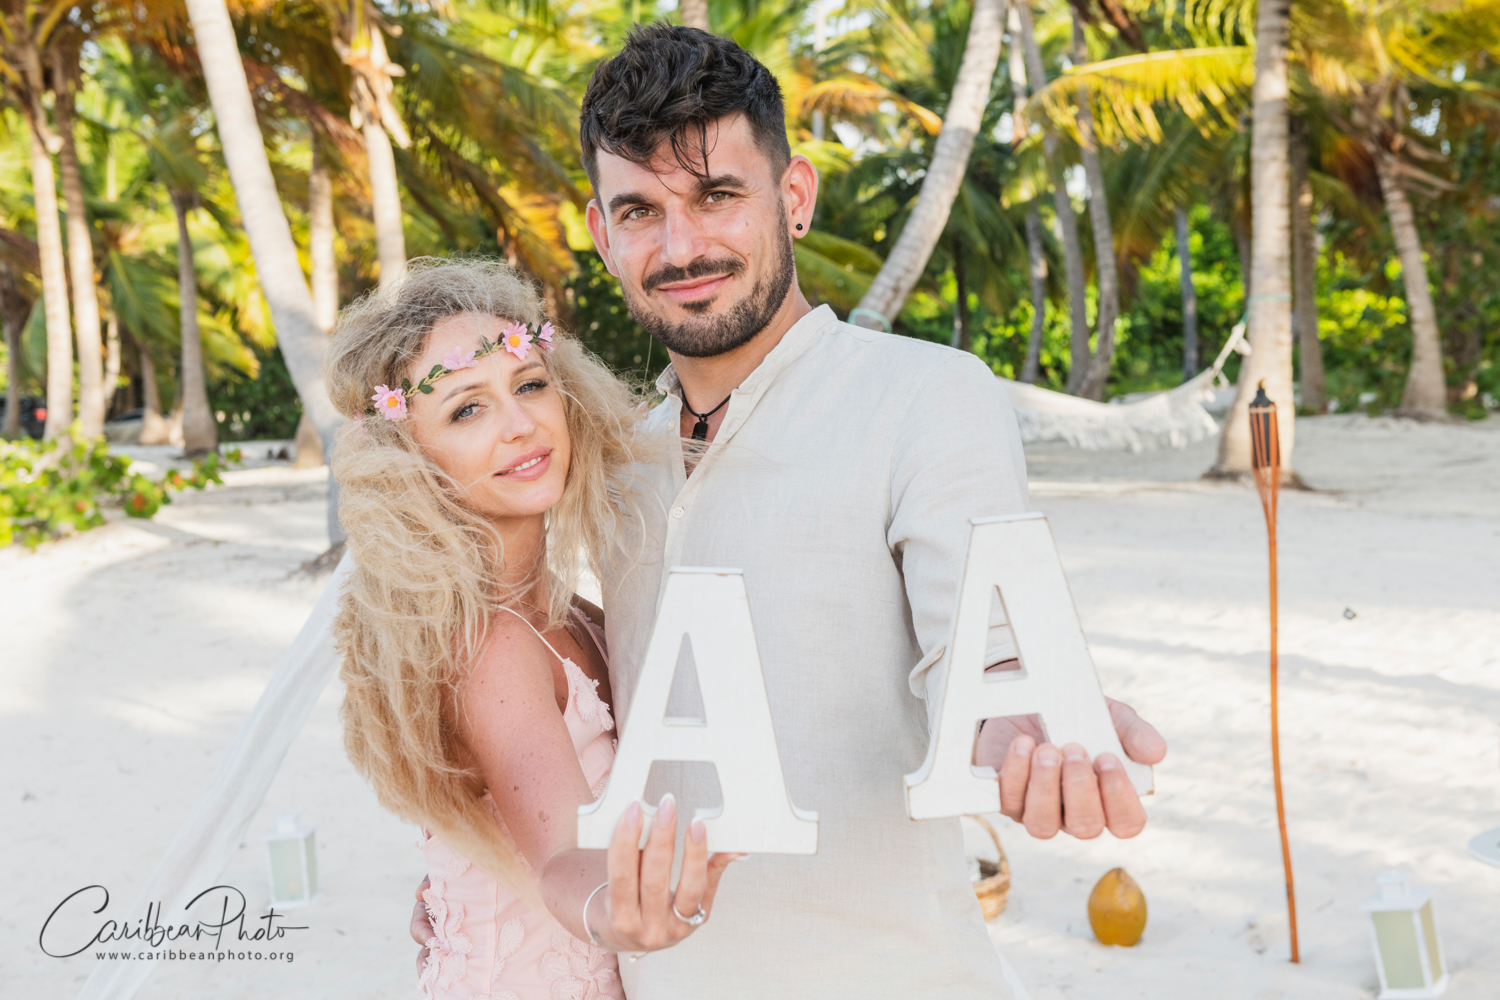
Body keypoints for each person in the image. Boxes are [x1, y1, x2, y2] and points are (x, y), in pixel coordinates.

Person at [413, 23, 1167, 998]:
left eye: (717, 196)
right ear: (601, 234)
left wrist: (1021, 727)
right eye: (640, 211)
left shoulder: (924, 396)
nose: (681, 246)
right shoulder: (612, 460)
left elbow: (981, 654)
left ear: (795, 198)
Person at [329, 259, 740, 1000]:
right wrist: (617, 910)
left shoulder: (570, 612)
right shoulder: (492, 643)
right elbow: (560, 859)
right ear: (408, 462)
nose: (521, 424)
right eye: (466, 410)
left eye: (528, 385)